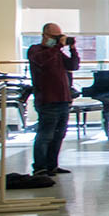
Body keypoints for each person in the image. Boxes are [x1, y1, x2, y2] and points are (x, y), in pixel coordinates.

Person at [28, 22, 80, 176]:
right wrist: (57, 46)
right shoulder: (35, 50)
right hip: (47, 100)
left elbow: (73, 65)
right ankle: (40, 167)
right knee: (45, 135)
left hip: (63, 99)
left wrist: (72, 49)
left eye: (59, 36)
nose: (58, 40)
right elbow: (43, 61)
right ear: (45, 35)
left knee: (59, 135)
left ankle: (52, 166)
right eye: (55, 37)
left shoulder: (56, 52)